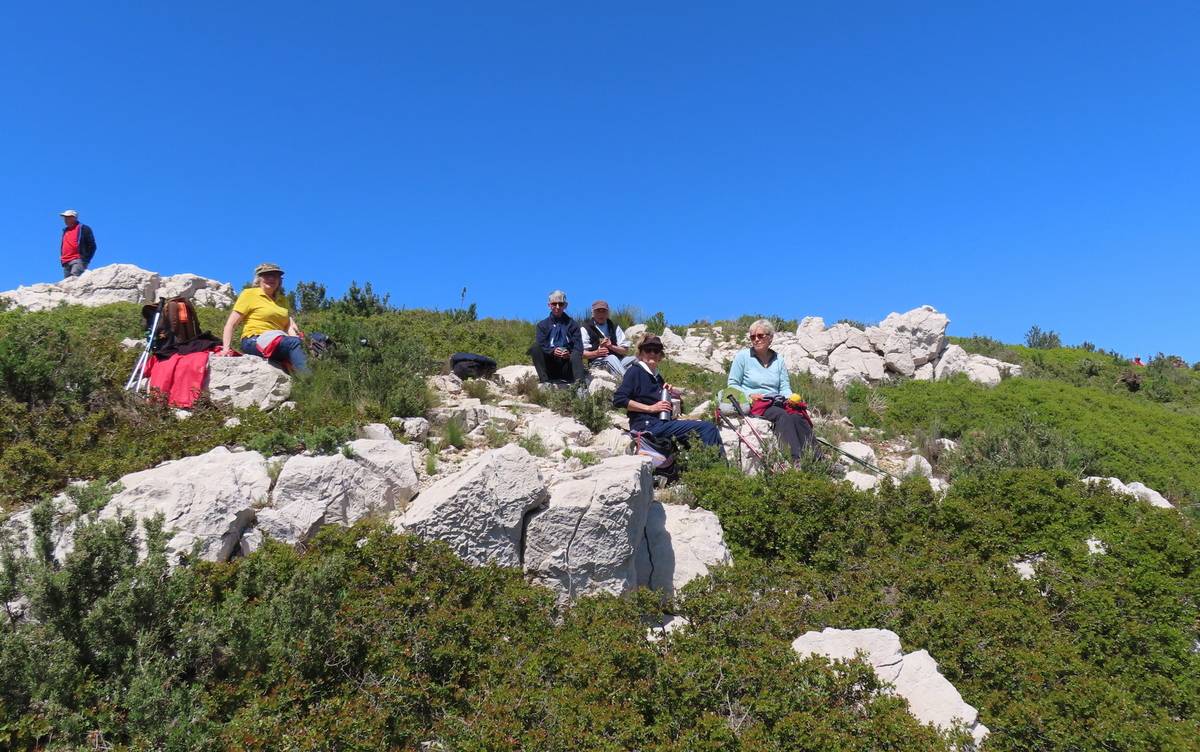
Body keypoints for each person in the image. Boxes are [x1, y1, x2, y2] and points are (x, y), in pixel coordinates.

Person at [613, 334, 723, 451]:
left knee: (697, 437)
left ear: (660, 355)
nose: (652, 353)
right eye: (648, 349)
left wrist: (674, 396)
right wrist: (650, 408)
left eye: (656, 350)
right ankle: (719, 467)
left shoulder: (658, 377)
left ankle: (706, 466)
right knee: (708, 428)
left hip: (662, 424)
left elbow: (675, 410)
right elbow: (619, 400)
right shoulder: (635, 371)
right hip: (647, 426)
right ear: (640, 353)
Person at [726, 319, 815, 462]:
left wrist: (790, 398)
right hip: (757, 403)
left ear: (770, 338)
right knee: (782, 416)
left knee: (798, 416)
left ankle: (816, 458)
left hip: (777, 400)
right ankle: (794, 459)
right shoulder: (742, 357)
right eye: (752, 337)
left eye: (760, 336)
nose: (756, 339)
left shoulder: (778, 359)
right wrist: (750, 395)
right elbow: (732, 384)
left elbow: (784, 387)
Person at [218, 262, 310, 375]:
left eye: (275, 275)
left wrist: (300, 341)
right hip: (254, 339)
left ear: (280, 280)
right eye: (266, 275)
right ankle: (308, 381)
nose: (271, 278)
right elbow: (231, 324)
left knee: (313, 343)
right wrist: (226, 348)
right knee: (294, 343)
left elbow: (289, 326)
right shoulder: (249, 294)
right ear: (259, 279)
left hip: (279, 338)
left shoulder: (282, 300)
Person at [528, 290, 588, 386]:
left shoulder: (573, 325)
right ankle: (545, 382)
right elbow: (542, 344)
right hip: (550, 365)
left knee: (576, 353)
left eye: (560, 304)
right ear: (549, 305)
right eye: (554, 304)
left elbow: (578, 346)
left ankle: (580, 385)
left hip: (567, 366)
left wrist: (569, 353)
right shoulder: (542, 325)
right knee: (535, 347)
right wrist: (552, 351)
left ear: (565, 305)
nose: (557, 307)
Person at [580, 299, 636, 377]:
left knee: (637, 359)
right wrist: (597, 352)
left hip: (618, 361)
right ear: (592, 313)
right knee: (611, 358)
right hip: (597, 362)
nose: (601, 314)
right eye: (598, 311)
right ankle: (627, 382)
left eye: (603, 311)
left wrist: (611, 346)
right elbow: (582, 354)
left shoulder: (614, 327)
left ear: (608, 313)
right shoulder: (585, 328)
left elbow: (625, 350)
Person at [58, 209, 97, 278]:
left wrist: (85, 259)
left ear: (74, 218)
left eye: (68, 217)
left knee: (74, 280)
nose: (65, 219)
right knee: (67, 284)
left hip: (77, 259)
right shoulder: (65, 230)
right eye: (65, 218)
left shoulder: (83, 228)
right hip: (65, 261)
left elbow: (92, 245)